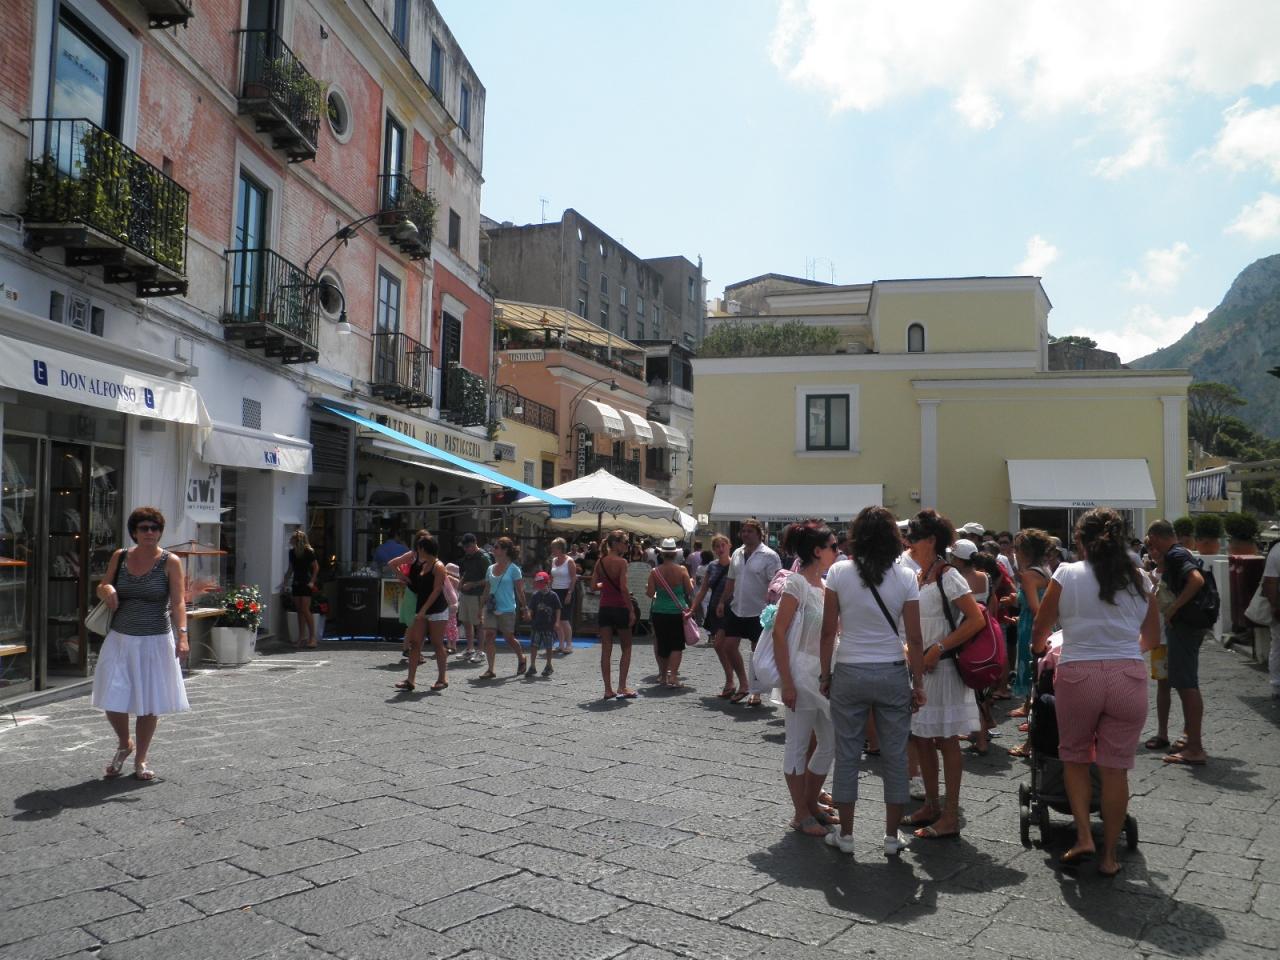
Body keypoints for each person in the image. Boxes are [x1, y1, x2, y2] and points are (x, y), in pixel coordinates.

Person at [1032, 508, 1162, 876]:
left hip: (1079, 674)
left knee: (1075, 758)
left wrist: (1039, 649)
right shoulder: (1140, 579)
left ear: (1080, 541)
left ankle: (1084, 837)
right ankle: (1109, 857)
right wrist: (1123, 651)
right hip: (1127, 675)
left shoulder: (1066, 574)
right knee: (1115, 769)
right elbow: (1152, 638)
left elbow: (1041, 627)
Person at [821, 507, 926, 856]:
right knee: (895, 755)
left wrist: (825, 674)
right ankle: (892, 837)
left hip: (849, 668)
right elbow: (915, 636)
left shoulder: (839, 572)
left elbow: (828, 631)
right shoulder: (906, 576)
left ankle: (846, 834)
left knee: (847, 754)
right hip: (892, 670)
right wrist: (919, 683)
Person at [902, 510, 985, 840]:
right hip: (922, 668)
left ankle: (950, 813)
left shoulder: (948, 575)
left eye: (913, 537)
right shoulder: (921, 575)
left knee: (946, 739)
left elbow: (976, 619)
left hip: (944, 667)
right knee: (922, 737)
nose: (908, 543)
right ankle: (932, 804)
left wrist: (938, 648)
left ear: (931, 540)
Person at [91, 507, 189, 781]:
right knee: (112, 696)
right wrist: (107, 589)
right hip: (120, 638)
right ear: (134, 532)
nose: (150, 532)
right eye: (144, 528)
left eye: (155, 528)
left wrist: (183, 635)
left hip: (155, 640)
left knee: (149, 702)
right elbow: (102, 586)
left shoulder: (171, 561)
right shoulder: (120, 556)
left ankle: (141, 758)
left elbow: (178, 602)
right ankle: (125, 743)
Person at [1145, 519, 1211, 765]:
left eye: (1152, 544)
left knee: (1186, 685)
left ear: (1156, 537)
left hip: (1184, 626)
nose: (1152, 549)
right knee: (1185, 683)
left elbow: (1196, 580)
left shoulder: (1175, 554)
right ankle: (1191, 742)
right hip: (1188, 627)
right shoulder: (1181, 553)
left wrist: (1174, 608)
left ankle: (1194, 747)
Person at [718, 518, 782, 708]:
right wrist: (722, 601)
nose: (745, 534)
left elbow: (777, 584)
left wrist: (775, 608)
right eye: (743, 531)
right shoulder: (737, 553)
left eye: (749, 531)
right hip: (737, 607)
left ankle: (756, 691)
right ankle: (744, 683)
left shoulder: (769, 556)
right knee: (728, 646)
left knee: (757, 652)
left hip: (759, 610)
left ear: (759, 534)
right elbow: (731, 580)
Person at [1007, 528, 1053, 758]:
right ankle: (1034, 737)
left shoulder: (1028, 575)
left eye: (1016, 548)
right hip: (1045, 628)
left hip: (1032, 630)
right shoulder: (1045, 570)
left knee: (1033, 684)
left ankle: (1030, 743)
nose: (1013, 552)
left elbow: (1036, 609)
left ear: (1024, 551)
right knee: (1041, 683)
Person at [386, 532, 449, 692]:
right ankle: (410, 680)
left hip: (437, 609)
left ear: (424, 549)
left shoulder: (438, 566)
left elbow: (436, 591)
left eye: (419, 547)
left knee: (437, 643)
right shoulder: (422, 563)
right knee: (415, 643)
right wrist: (404, 579)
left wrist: (423, 610)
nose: (417, 550)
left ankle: (442, 679)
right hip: (421, 608)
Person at [691, 535, 743, 701]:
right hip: (715, 609)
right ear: (713, 549)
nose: (720, 549)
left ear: (729, 546)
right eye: (717, 547)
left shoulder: (736, 565)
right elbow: (703, 589)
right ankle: (731, 679)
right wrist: (692, 608)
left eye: (723, 545)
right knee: (720, 646)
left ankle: (733, 681)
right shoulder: (712, 566)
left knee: (721, 645)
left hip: (731, 609)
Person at [646, 538, 696, 688]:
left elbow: (650, 593)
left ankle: (663, 676)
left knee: (662, 644)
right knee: (676, 645)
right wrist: (691, 582)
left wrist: (654, 590)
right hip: (677, 611)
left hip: (659, 611)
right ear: (675, 554)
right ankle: (673, 676)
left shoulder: (654, 572)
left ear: (661, 554)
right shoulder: (682, 570)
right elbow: (689, 590)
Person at [593, 530, 636, 699]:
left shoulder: (600, 561)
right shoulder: (622, 562)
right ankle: (622, 686)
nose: (627, 546)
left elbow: (593, 586)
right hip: (620, 607)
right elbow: (624, 588)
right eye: (625, 542)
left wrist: (606, 585)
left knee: (606, 650)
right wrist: (631, 610)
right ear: (616, 544)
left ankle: (607, 689)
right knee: (627, 647)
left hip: (605, 607)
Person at [478, 537, 529, 680]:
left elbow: (520, 591)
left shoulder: (514, 569)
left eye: (496, 547)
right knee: (489, 636)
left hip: (507, 608)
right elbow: (486, 590)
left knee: (509, 637)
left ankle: (522, 658)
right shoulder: (490, 568)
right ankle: (490, 669)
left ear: (505, 550)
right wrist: (480, 608)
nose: (493, 549)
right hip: (491, 608)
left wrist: (525, 608)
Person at [457, 533, 491, 663]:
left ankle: (480, 651)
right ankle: (470, 649)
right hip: (466, 594)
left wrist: (473, 584)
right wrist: (462, 581)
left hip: (478, 595)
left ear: (474, 544)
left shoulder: (483, 557)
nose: (465, 549)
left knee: (479, 624)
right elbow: (467, 571)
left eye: (468, 547)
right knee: (466, 621)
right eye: (464, 547)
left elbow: (489, 578)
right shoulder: (468, 556)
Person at [286, 529, 320, 649]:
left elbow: (316, 567)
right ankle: (301, 637)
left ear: (297, 540)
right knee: (299, 610)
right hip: (296, 581)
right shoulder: (292, 552)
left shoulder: (309, 551)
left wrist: (312, 582)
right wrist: (285, 581)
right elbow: (291, 568)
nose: (290, 540)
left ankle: (312, 637)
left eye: (292, 538)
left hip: (306, 581)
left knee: (305, 609)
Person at [526, 571, 561, 678]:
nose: (539, 585)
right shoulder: (535, 596)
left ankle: (549, 665)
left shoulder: (553, 595)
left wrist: (557, 622)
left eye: (541, 583)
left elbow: (558, 609)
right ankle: (532, 665)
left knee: (548, 646)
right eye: (538, 583)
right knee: (534, 646)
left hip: (548, 626)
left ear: (547, 583)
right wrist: (528, 615)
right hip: (536, 625)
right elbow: (531, 609)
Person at [548, 538, 577, 654]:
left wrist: (569, 593)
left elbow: (574, 578)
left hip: (566, 592)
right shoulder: (553, 560)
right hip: (554, 591)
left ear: (560, 549)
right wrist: (549, 590)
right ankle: (560, 644)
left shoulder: (569, 561)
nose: (552, 550)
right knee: (557, 620)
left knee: (564, 619)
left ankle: (569, 644)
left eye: (553, 548)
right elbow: (552, 577)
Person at [1263, 542, 1280, 699]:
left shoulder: (1276, 550)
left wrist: (1274, 605)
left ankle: (1276, 685)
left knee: (1277, 646)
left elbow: (1270, 581)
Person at [443, 562, 461, 655]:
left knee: (452, 626)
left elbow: (457, 584)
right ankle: (448, 644)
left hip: (452, 606)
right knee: (446, 626)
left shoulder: (454, 581)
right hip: (445, 606)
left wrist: (448, 576)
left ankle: (453, 645)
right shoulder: (445, 581)